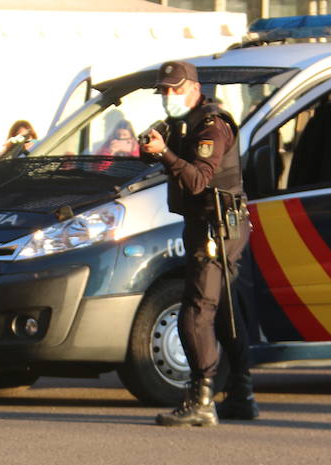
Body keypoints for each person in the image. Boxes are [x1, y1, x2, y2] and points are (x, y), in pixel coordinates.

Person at [140, 61, 259, 427]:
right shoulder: (182, 124)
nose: (167, 97)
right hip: (207, 224)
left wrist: (165, 154)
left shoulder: (212, 126)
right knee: (222, 312)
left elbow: (196, 181)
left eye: (174, 89)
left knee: (195, 310)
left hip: (217, 228)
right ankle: (241, 393)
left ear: (193, 88)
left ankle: (201, 397)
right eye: (163, 90)